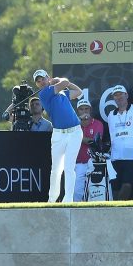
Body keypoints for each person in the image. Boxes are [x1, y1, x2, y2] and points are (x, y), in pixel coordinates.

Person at [33, 69, 83, 203]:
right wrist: (59, 80)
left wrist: (59, 82)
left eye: (43, 78)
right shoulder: (44, 93)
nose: (41, 82)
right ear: (37, 85)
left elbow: (79, 92)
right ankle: (52, 199)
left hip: (75, 132)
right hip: (59, 135)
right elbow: (65, 82)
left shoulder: (62, 93)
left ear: (47, 77)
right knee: (56, 169)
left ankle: (68, 200)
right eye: (38, 81)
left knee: (69, 167)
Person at [74, 98, 106, 201]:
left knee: (94, 192)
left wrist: (78, 137)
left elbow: (94, 142)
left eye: (86, 109)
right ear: (77, 111)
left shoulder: (98, 124)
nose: (84, 111)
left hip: (93, 164)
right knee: (77, 192)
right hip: (78, 163)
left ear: (90, 110)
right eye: (81, 109)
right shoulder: (73, 124)